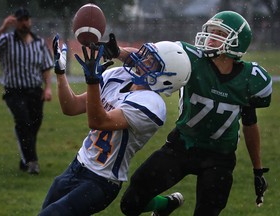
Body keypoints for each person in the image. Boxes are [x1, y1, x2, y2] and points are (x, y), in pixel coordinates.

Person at [99, 10, 272, 216]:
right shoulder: (191, 59)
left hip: (220, 158)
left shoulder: (251, 79)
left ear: (238, 42)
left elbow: (250, 123)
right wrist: (117, 51)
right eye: (211, 32)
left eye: (219, 34)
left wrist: (257, 169)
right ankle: (165, 206)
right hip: (182, 146)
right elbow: (146, 61)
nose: (210, 38)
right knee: (131, 203)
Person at [38, 34, 191, 216]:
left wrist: (93, 81)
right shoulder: (119, 76)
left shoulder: (152, 105)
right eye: (147, 55)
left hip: (101, 181)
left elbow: (98, 121)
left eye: (152, 61)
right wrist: (61, 73)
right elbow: (71, 107)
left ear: (165, 78)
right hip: (76, 165)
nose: (143, 60)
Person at [0, 7, 53, 174]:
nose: (24, 23)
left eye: (26, 19)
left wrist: (47, 88)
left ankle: (25, 157)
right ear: (15, 22)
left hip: (35, 91)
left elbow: (46, 67)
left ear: (30, 21)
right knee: (23, 122)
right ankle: (32, 162)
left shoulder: (39, 43)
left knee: (33, 126)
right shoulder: (6, 40)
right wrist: (3, 28)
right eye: (20, 20)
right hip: (14, 91)